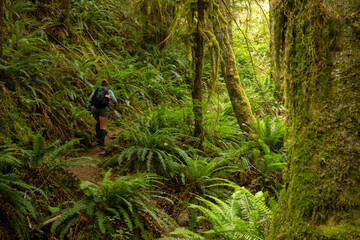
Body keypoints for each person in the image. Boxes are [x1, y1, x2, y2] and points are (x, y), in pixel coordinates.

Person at [88, 80, 117, 147]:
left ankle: (98, 138)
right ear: (108, 84)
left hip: (94, 108)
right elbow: (114, 100)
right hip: (104, 109)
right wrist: (114, 105)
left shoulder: (96, 90)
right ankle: (102, 143)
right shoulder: (108, 91)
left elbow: (89, 100)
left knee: (98, 122)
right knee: (103, 126)